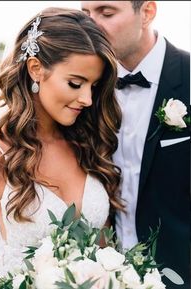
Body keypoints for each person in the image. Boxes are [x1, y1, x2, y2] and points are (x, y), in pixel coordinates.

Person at [0, 7, 124, 288]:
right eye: (75, 83)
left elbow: (105, 258)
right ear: (36, 69)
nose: (87, 98)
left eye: (94, 87)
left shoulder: (88, 147)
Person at [81, 1, 190, 288]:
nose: (91, 25)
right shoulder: (80, 89)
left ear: (147, 12)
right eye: (86, 14)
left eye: (106, 13)